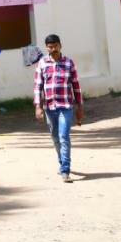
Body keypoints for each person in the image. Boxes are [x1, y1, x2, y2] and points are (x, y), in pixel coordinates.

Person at [34, 33, 83, 183]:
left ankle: (65, 171)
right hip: (49, 107)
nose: (53, 48)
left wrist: (80, 107)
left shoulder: (69, 63)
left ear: (60, 45)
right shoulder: (42, 63)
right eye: (50, 46)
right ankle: (62, 162)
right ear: (46, 48)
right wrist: (38, 106)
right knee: (55, 137)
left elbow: (76, 86)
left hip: (66, 106)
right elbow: (38, 86)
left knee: (63, 137)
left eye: (55, 45)